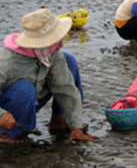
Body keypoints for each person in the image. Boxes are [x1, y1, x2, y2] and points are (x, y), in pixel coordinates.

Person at [0, 8, 98, 143]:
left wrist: (76, 125)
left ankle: (60, 120)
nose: (61, 44)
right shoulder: (6, 62)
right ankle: (11, 135)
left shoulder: (50, 54)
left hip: (32, 100)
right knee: (23, 87)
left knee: (68, 60)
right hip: (8, 109)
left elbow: (65, 88)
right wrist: (2, 114)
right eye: (57, 41)